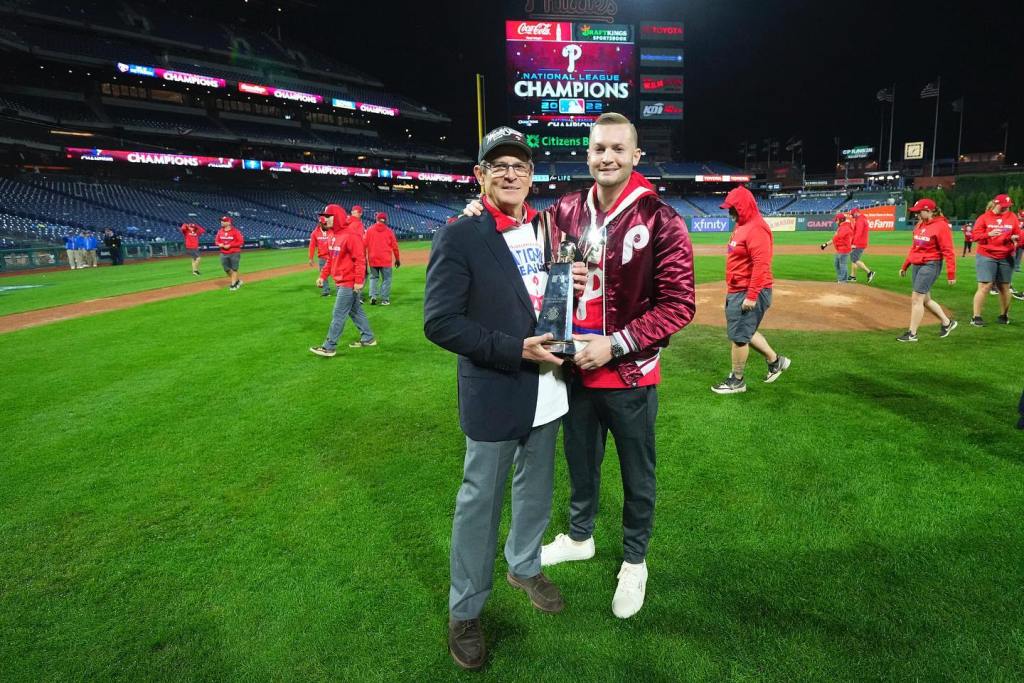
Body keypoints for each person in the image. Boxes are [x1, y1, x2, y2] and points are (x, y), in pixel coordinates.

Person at [466, 114, 696, 619]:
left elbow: (680, 304)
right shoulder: (566, 210)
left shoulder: (661, 218)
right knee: (581, 464)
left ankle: (635, 560)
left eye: (617, 149)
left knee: (638, 474)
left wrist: (615, 345)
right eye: (598, 149)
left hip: (630, 374)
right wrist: (477, 209)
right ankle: (580, 535)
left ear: (636, 156)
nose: (606, 158)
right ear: (587, 154)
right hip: (573, 371)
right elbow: (517, 226)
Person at [425, 126, 568, 670]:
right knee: (480, 503)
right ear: (480, 175)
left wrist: (571, 283)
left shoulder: (546, 229)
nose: (512, 174)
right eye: (499, 165)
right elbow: (440, 323)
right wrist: (514, 350)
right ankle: (465, 609)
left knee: (537, 486)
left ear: (531, 177)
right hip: (497, 387)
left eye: (521, 166)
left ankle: (524, 565)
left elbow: (552, 297)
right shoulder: (459, 235)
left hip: (550, 385)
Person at [712, 185, 790, 393]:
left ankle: (737, 381)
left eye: (732, 208)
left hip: (750, 291)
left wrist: (752, 295)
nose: (729, 212)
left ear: (743, 207)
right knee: (747, 331)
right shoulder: (742, 225)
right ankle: (776, 361)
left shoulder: (756, 228)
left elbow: (761, 264)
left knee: (739, 337)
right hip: (738, 288)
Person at [309, 204, 376, 356]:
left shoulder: (351, 235)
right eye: (324, 217)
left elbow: (360, 260)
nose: (324, 219)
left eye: (327, 216)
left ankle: (329, 346)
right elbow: (330, 261)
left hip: (349, 282)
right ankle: (369, 338)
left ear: (336, 217)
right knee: (355, 311)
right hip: (341, 281)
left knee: (338, 314)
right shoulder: (333, 235)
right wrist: (322, 276)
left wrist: (359, 281)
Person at [897, 198, 957, 342]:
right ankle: (947, 323)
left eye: (919, 212)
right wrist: (905, 265)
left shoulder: (941, 226)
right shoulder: (919, 224)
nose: (916, 215)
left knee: (917, 298)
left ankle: (912, 334)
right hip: (917, 264)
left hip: (931, 264)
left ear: (929, 211)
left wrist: (951, 273)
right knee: (925, 300)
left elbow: (948, 251)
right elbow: (914, 248)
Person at [969, 193, 1020, 326]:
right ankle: (976, 317)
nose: (1005, 208)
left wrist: (1014, 238)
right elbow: (975, 236)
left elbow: (1018, 234)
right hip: (987, 255)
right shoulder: (984, 218)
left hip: (1006, 255)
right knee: (985, 285)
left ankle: (1004, 315)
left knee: (1004, 287)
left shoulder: (1012, 217)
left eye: (1008, 206)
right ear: (995, 203)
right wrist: (988, 234)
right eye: (1003, 206)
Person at [365, 212, 401, 305]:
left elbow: (363, 245)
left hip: (373, 259)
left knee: (373, 278)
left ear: (376, 219)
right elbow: (395, 247)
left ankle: (373, 296)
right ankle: (385, 299)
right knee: (387, 279)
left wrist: (362, 258)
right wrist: (397, 259)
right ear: (386, 220)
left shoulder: (369, 230)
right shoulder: (389, 231)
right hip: (385, 260)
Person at [820, 212, 854, 283]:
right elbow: (835, 238)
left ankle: (842, 280)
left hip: (844, 249)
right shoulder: (843, 227)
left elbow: (836, 238)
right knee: (837, 264)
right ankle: (841, 279)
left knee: (842, 265)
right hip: (840, 249)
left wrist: (826, 244)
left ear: (841, 220)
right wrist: (825, 244)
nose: (836, 221)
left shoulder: (845, 228)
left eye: (837, 220)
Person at [214, 216, 244, 291]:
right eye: (221, 221)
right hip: (223, 253)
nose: (222, 222)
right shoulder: (220, 231)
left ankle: (233, 285)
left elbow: (241, 242)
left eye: (224, 221)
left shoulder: (235, 231)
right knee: (226, 269)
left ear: (229, 222)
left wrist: (230, 245)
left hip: (234, 252)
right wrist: (219, 244)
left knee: (234, 269)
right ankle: (237, 281)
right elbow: (216, 241)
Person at [307, 215, 334, 296]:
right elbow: (312, 246)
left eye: (327, 223)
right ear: (320, 224)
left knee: (336, 273)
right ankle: (326, 291)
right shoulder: (314, 233)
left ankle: (341, 290)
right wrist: (311, 258)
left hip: (333, 256)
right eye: (324, 224)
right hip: (322, 257)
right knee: (323, 274)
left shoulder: (332, 231)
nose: (326, 225)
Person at [848, 207, 876, 282]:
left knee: (854, 259)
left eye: (853, 214)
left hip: (859, 243)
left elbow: (858, 233)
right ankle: (852, 276)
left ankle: (869, 272)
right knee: (853, 259)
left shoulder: (860, 220)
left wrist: (854, 243)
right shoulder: (861, 219)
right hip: (860, 242)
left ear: (857, 212)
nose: (852, 216)